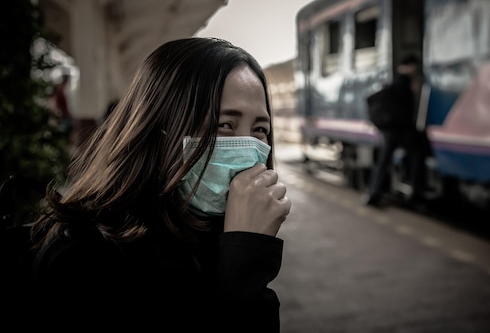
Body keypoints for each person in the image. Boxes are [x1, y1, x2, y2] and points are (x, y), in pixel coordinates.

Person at [26, 37, 292, 330]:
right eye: (224, 125)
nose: (248, 148)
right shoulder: (82, 257)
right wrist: (243, 263)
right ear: (160, 129)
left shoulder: (216, 233)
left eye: (259, 130)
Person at [363, 54, 424, 208]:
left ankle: (373, 193)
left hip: (390, 131)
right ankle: (415, 193)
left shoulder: (394, 82)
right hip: (400, 131)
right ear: (410, 66)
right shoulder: (404, 83)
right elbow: (406, 112)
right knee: (416, 154)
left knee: (383, 162)